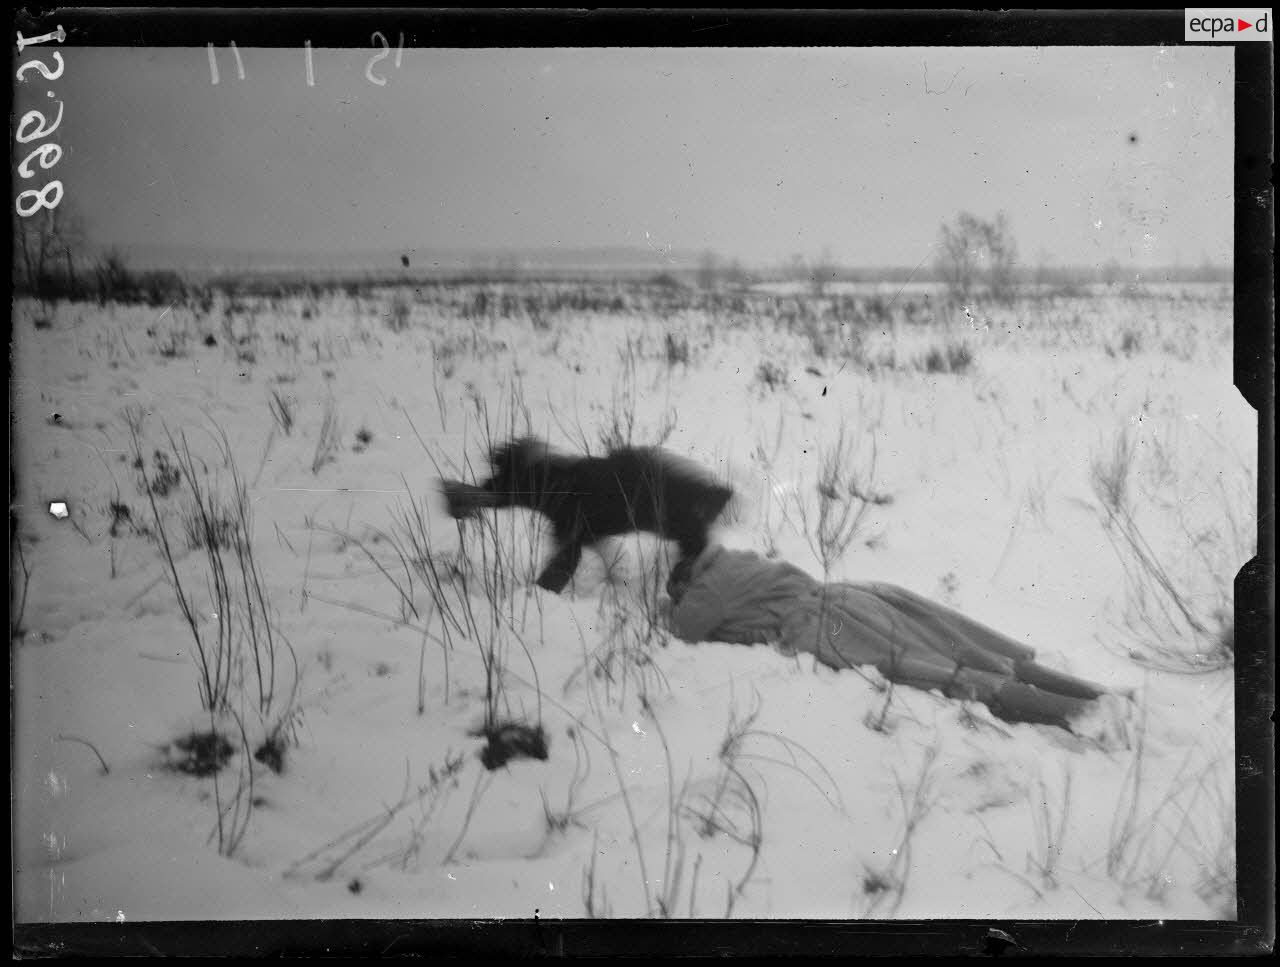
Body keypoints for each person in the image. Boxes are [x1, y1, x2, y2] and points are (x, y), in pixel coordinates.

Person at [665, 545, 1124, 732]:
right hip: (852, 594)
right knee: (958, 646)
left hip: (819, 624)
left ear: (687, 580)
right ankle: (1097, 696)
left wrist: (671, 605)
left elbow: (683, 630)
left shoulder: (706, 588)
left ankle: (1080, 715)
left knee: (934, 673)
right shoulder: (743, 560)